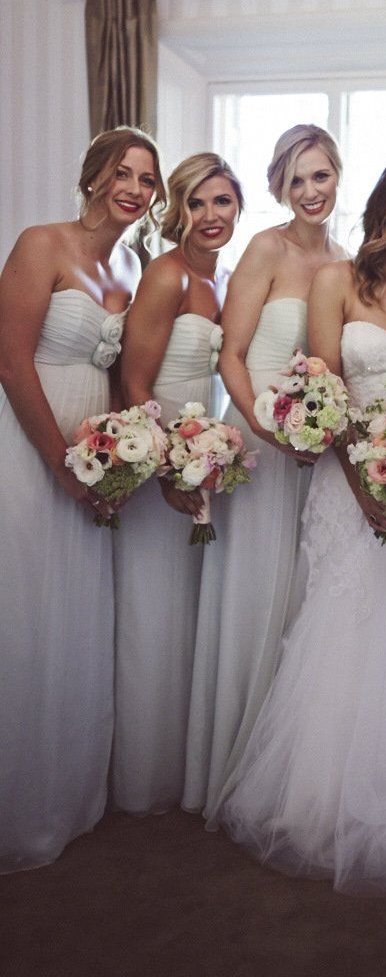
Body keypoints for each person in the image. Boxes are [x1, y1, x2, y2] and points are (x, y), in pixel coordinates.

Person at [216, 157, 386, 893]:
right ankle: (324, 807)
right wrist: (365, 479)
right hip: (347, 488)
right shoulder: (335, 282)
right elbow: (325, 391)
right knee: (345, 627)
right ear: (381, 208)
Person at [0, 127, 165, 872]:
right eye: (123, 172)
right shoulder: (42, 243)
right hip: (29, 445)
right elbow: (9, 361)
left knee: (74, 618)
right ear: (95, 175)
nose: (134, 187)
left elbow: (127, 375)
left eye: (147, 179)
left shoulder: (132, 264)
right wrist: (58, 462)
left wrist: (115, 463)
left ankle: (64, 797)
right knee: (24, 616)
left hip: (92, 457)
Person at [183, 125, 346, 821]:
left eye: (322, 176)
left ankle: (282, 773)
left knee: (305, 603)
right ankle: (227, 762)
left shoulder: (346, 260)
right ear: (281, 185)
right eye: (297, 179)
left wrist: (322, 429)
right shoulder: (265, 249)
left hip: (317, 452)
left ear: (339, 175)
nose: (311, 191)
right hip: (258, 442)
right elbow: (233, 354)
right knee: (254, 598)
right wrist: (269, 430)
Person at [112, 153, 242, 815]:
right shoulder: (165, 276)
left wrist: (202, 457)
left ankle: (177, 768)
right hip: (161, 460)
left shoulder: (218, 280)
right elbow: (134, 383)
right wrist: (163, 470)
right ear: (177, 211)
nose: (211, 216)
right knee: (152, 614)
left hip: (197, 457)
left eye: (222, 202)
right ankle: (142, 780)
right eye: (197, 203)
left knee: (186, 616)